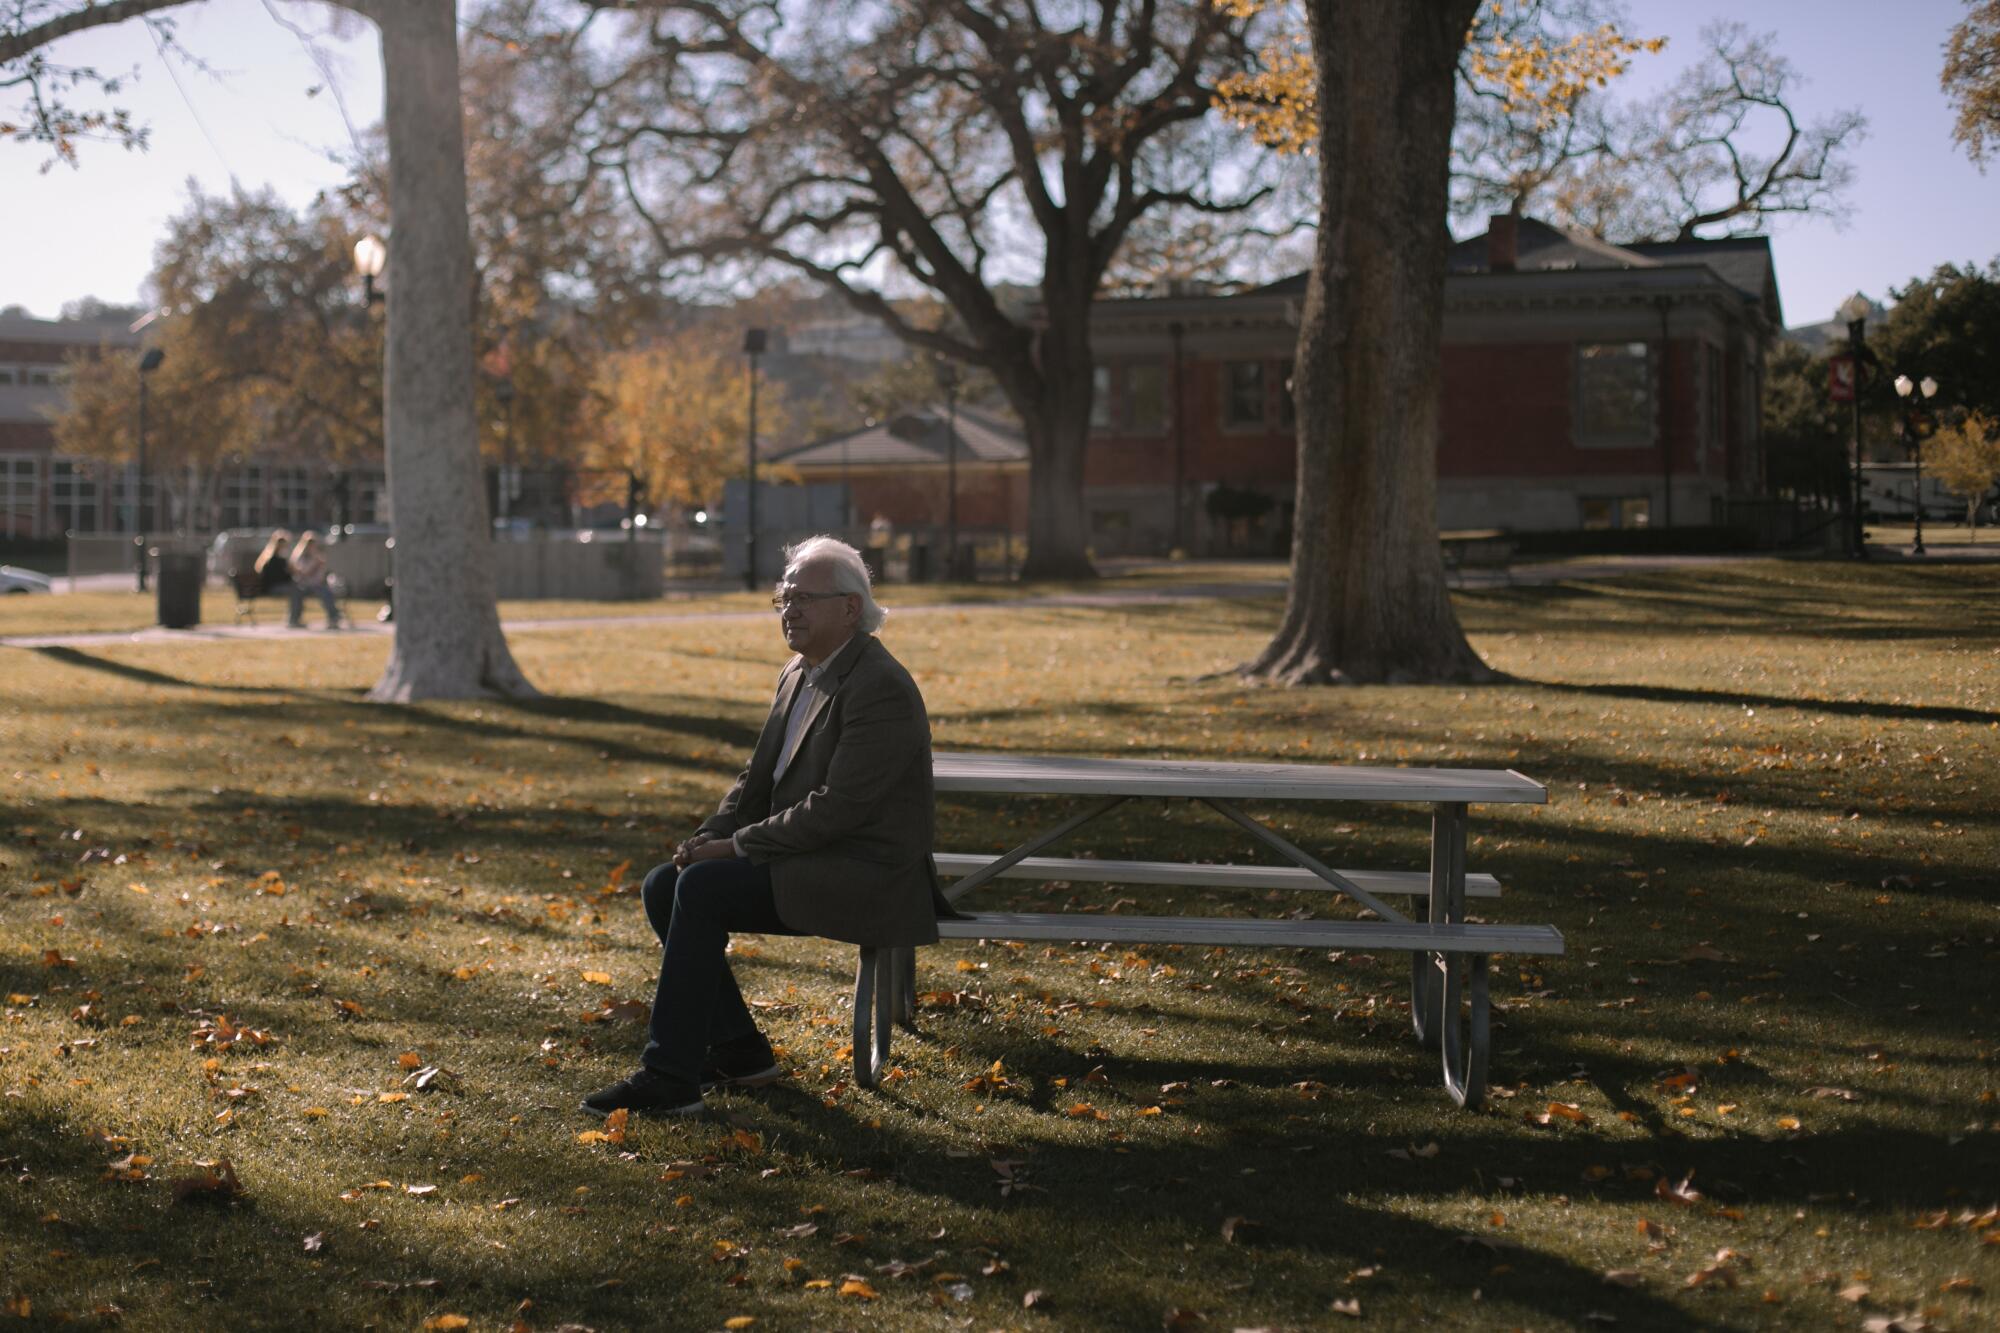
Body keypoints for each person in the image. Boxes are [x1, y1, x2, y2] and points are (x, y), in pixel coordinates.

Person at [583, 535, 949, 1119]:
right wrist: (708, 835)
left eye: (805, 597)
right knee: (665, 883)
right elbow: (758, 778)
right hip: (809, 857)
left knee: (703, 890)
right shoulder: (799, 671)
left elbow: (839, 810)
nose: (790, 609)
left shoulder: (878, 685)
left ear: (850, 609)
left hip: (865, 871)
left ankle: (669, 1076)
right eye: (784, 596)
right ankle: (742, 1052)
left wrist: (736, 847)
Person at [286, 531, 342, 629]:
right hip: (302, 585)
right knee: (296, 592)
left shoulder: (318, 556)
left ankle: (334, 618)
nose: (311, 546)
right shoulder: (299, 556)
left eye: (313, 544)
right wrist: (313, 564)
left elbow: (321, 574)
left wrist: (316, 562)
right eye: (309, 544)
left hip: (316, 585)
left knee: (326, 592)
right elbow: (301, 572)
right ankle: (294, 619)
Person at [253, 530, 294, 599]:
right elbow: (292, 571)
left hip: (271, 586)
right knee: (297, 590)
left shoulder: (266, 555)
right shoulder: (275, 558)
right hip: (273, 587)